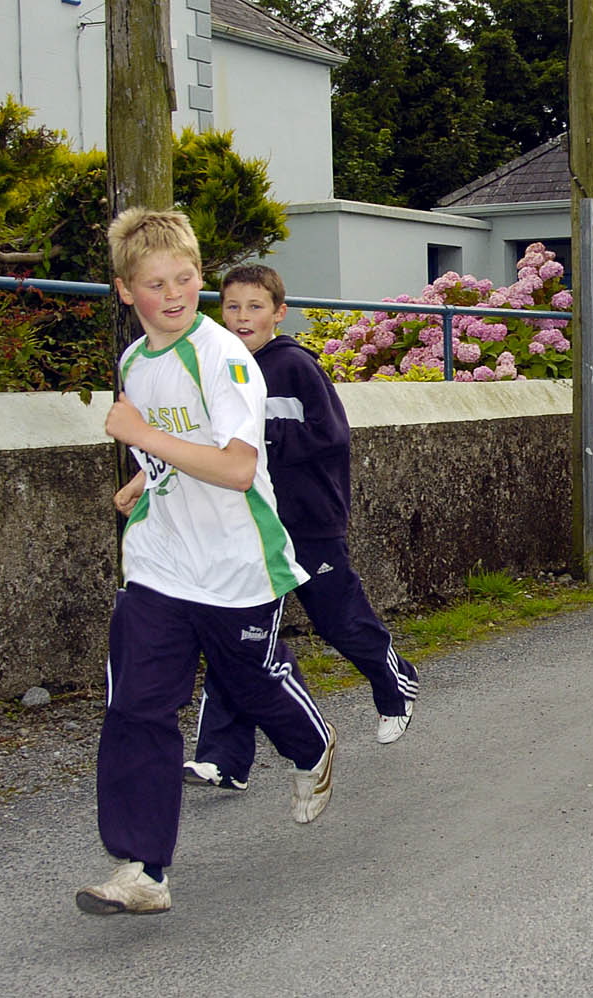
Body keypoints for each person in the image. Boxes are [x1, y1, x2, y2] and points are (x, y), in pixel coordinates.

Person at [76, 209, 337, 917]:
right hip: (161, 564)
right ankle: (143, 869)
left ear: (199, 277)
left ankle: (312, 745)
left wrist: (138, 433)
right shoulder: (136, 361)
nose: (173, 294)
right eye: (155, 283)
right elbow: (167, 453)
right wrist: (139, 477)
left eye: (185, 278)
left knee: (248, 685)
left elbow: (233, 467)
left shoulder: (222, 357)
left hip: (235, 562)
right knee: (137, 706)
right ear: (128, 291)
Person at [182, 264, 419, 793]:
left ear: (278, 312)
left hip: (309, 522)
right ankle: (223, 759)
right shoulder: (216, 367)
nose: (242, 318)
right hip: (250, 527)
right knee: (238, 638)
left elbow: (331, 435)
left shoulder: (292, 366)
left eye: (255, 307)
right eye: (233, 306)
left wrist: (261, 441)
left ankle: (395, 684)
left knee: (338, 621)